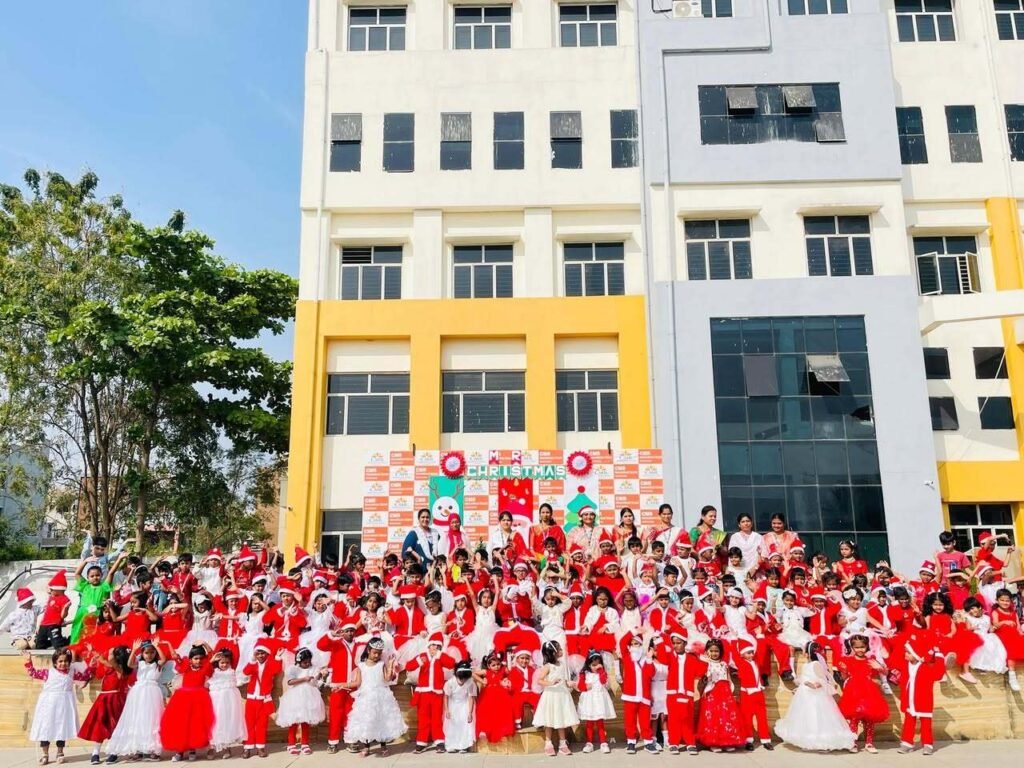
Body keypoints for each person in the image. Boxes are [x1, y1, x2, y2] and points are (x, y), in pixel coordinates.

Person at [774, 642, 855, 752]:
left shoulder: (816, 664)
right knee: (807, 716)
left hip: (816, 695)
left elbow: (823, 680)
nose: (803, 652)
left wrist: (813, 685)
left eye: (804, 650)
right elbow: (802, 678)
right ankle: (809, 741)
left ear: (808, 653)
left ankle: (823, 741)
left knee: (817, 716)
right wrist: (801, 684)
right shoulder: (806, 665)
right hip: (805, 695)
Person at [26, 648, 92, 765]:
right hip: (48, 705)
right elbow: (33, 673)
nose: (63, 663)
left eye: (66, 661)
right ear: (55, 663)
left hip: (64, 706)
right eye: (60, 661)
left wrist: (90, 662)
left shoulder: (72, 672)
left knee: (61, 728)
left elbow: (85, 676)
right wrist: (28, 661)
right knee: (45, 728)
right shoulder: (48, 673)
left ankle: (60, 752)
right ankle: (45, 754)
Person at [343, 637, 408, 757]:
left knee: (381, 720)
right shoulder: (361, 666)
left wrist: (390, 665)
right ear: (368, 650)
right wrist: (341, 685)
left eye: (379, 653)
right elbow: (357, 682)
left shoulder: (381, 665)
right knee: (366, 721)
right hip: (366, 697)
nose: (377, 655)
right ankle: (366, 747)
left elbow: (387, 679)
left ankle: (383, 746)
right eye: (374, 653)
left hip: (380, 697)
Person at [160, 644, 215, 762]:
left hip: (199, 699)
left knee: (194, 724)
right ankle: (179, 751)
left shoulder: (205, 668)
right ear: (190, 659)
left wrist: (204, 643)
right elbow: (175, 656)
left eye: (201, 658)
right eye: (195, 658)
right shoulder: (186, 667)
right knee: (181, 724)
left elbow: (212, 656)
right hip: (183, 699)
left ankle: (192, 749)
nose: (198, 661)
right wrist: (169, 644)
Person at [79, 645, 132, 765]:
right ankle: (95, 752)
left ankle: (114, 752)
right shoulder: (110, 667)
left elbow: (109, 660)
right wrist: (93, 651)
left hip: (115, 700)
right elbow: (103, 660)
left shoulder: (121, 670)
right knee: (100, 725)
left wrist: (111, 649)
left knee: (114, 726)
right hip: (103, 699)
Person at [837, 635, 890, 753]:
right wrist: (844, 671)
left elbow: (885, 673)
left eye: (862, 647)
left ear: (867, 646)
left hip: (869, 691)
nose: (860, 649)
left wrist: (880, 668)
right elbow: (844, 677)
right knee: (854, 718)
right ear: (852, 647)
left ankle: (869, 743)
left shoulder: (871, 660)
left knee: (870, 718)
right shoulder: (848, 660)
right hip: (853, 692)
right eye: (857, 647)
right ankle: (852, 742)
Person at [407, 633, 455, 754]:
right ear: (428, 646)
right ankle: (421, 742)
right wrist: (419, 662)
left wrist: (440, 655)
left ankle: (439, 741)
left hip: (437, 693)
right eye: (432, 645)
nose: (434, 648)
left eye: (437, 646)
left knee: (436, 718)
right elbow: (409, 666)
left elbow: (451, 664)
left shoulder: (441, 657)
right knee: (423, 718)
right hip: (423, 693)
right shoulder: (422, 656)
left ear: (440, 647)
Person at [695, 639, 747, 752]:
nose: (714, 653)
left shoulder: (724, 664)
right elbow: (701, 677)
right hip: (712, 693)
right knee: (713, 717)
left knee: (726, 717)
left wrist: (731, 690)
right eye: (711, 651)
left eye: (716, 651)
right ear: (707, 651)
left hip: (725, 693)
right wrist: (705, 668)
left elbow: (728, 678)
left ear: (721, 652)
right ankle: (714, 742)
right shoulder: (706, 664)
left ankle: (727, 741)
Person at [898, 632, 945, 754]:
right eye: (905, 651)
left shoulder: (926, 667)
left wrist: (938, 656)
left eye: (908, 652)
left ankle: (927, 744)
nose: (905, 654)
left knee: (926, 723)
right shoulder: (905, 665)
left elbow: (938, 674)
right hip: (909, 699)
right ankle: (907, 743)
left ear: (916, 654)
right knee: (909, 722)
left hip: (924, 699)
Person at [317, 622, 360, 753]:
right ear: (343, 632)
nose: (350, 633)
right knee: (336, 714)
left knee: (351, 714)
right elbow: (320, 645)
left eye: (352, 630)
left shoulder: (359, 645)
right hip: (337, 685)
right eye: (347, 630)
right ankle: (333, 742)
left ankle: (350, 741)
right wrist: (331, 634)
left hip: (353, 686)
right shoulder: (336, 643)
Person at [275, 647, 326, 756]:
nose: (307, 664)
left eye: (309, 661)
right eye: (305, 662)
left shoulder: (313, 668)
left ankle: (305, 744)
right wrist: (303, 679)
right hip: (295, 698)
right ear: (298, 661)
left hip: (309, 697)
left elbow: (315, 682)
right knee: (293, 721)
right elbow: (290, 682)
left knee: (306, 721)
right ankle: (291, 744)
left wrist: (319, 675)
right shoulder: (293, 669)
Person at [532, 640, 579, 756]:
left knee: (561, 719)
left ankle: (563, 744)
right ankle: (548, 743)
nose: (562, 651)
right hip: (551, 696)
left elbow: (563, 680)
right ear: (553, 653)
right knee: (549, 719)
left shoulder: (562, 664)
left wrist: (570, 683)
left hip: (562, 695)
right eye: (559, 649)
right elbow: (539, 680)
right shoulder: (548, 666)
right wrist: (551, 683)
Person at [240, 640, 283, 758]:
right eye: (258, 653)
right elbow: (245, 671)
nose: (260, 656)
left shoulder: (270, 664)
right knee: (249, 724)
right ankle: (247, 748)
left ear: (267, 654)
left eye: (263, 653)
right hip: (251, 699)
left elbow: (276, 669)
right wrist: (252, 660)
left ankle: (260, 747)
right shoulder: (253, 664)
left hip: (263, 699)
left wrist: (278, 657)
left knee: (261, 724)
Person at [619, 631, 658, 754]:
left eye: (637, 644)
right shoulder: (627, 657)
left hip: (644, 696)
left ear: (641, 645)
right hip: (630, 696)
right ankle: (631, 742)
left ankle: (648, 742)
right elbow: (622, 642)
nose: (634, 646)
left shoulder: (646, 659)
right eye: (632, 644)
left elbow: (651, 674)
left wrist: (650, 658)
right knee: (629, 720)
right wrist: (634, 631)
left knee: (645, 721)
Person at [733, 640, 772, 751]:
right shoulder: (740, 662)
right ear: (742, 654)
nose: (751, 655)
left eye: (752, 652)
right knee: (747, 718)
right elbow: (734, 653)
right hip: (746, 694)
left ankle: (765, 740)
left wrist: (760, 637)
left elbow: (760, 651)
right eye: (748, 653)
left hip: (758, 692)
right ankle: (748, 740)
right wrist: (735, 639)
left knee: (762, 717)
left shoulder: (756, 662)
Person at [575, 651, 615, 754]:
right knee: (589, 722)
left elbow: (603, 681)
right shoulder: (584, 673)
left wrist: (601, 670)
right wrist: (585, 687)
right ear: (588, 664)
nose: (596, 667)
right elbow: (580, 686)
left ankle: (603, 743)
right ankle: (589, 743)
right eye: (593, 665)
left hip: (599, 700)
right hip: (589, 700)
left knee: (600, 722)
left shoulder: (602, 673)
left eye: (598, 664)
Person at [473, 653, 517, 744]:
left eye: (498, 664)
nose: (496, 667)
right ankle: (484, 731)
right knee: (486, 712)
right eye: (493, 665)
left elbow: (510, 671)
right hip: (488, 695)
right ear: (488, 666)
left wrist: (509, 659)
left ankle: (503, 732)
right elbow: (473, 673)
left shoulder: (503, 670)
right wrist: (482, 681)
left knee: (502, 713)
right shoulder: (486, 672)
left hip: (501, 694)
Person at [962, 597, 1007, 676]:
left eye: (972, 608)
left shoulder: (987, 618)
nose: (971, 611)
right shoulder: (969, 618)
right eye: (969, 610)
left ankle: (987, 664)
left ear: (979, 607)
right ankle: (980, 666)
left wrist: (993, 628)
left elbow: (990, 629)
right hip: (976, 636)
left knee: (992, 643)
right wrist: (974, 627)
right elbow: (968, 628)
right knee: (981, 645)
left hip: (986, 636)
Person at [990, 587, 1024, 692]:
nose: (1005, 603)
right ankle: (1012, 676)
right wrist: (1004, 622)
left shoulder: (1013, 612)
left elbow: (1018, 626)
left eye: (1007, 600)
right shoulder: (995, 612)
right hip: (1003, 635)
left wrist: (1021, 633)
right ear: (997, 600)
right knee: (1010, 649)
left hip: (1014, 634)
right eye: (1002, 600)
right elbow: (995, 624)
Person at [443, 661, 477, 753]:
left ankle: (463, 745)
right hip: (452, 705)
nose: (463, 681)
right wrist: (447, 710)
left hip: (464, 705)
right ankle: (451, 745)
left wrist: (470, 712)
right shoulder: (450, 683)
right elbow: (446, 696)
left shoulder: (470, 683)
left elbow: (470, 697)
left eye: (465, 678)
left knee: (464, 725)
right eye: (461, 678)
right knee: (452, 725)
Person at [508, 649, 539, 729]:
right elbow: (512, 684)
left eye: (526, 658)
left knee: (537, 699)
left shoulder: (532, 670)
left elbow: (535, 681)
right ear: (517, 659)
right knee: (516, 701)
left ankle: (538, 719)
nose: (524, 661)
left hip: (530, 691)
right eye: (522, 658)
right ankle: (517, 721)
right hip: (518, 692)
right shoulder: (513, 670)